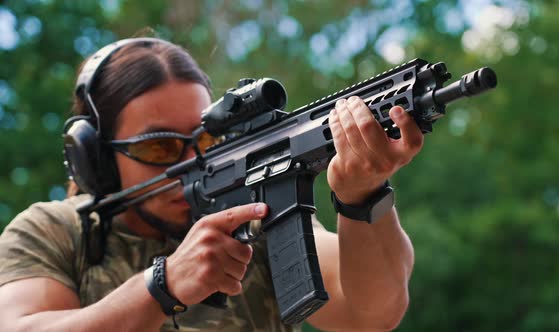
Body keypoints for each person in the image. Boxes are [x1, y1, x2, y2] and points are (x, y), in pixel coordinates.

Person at [0, 37, 423, 331]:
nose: (192, 159)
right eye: (160, 148)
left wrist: (362, 196)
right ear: (97, 157)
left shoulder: (254, 215)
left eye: (205, 139)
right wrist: (161, 287)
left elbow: (372, 315)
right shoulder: (54, 231)